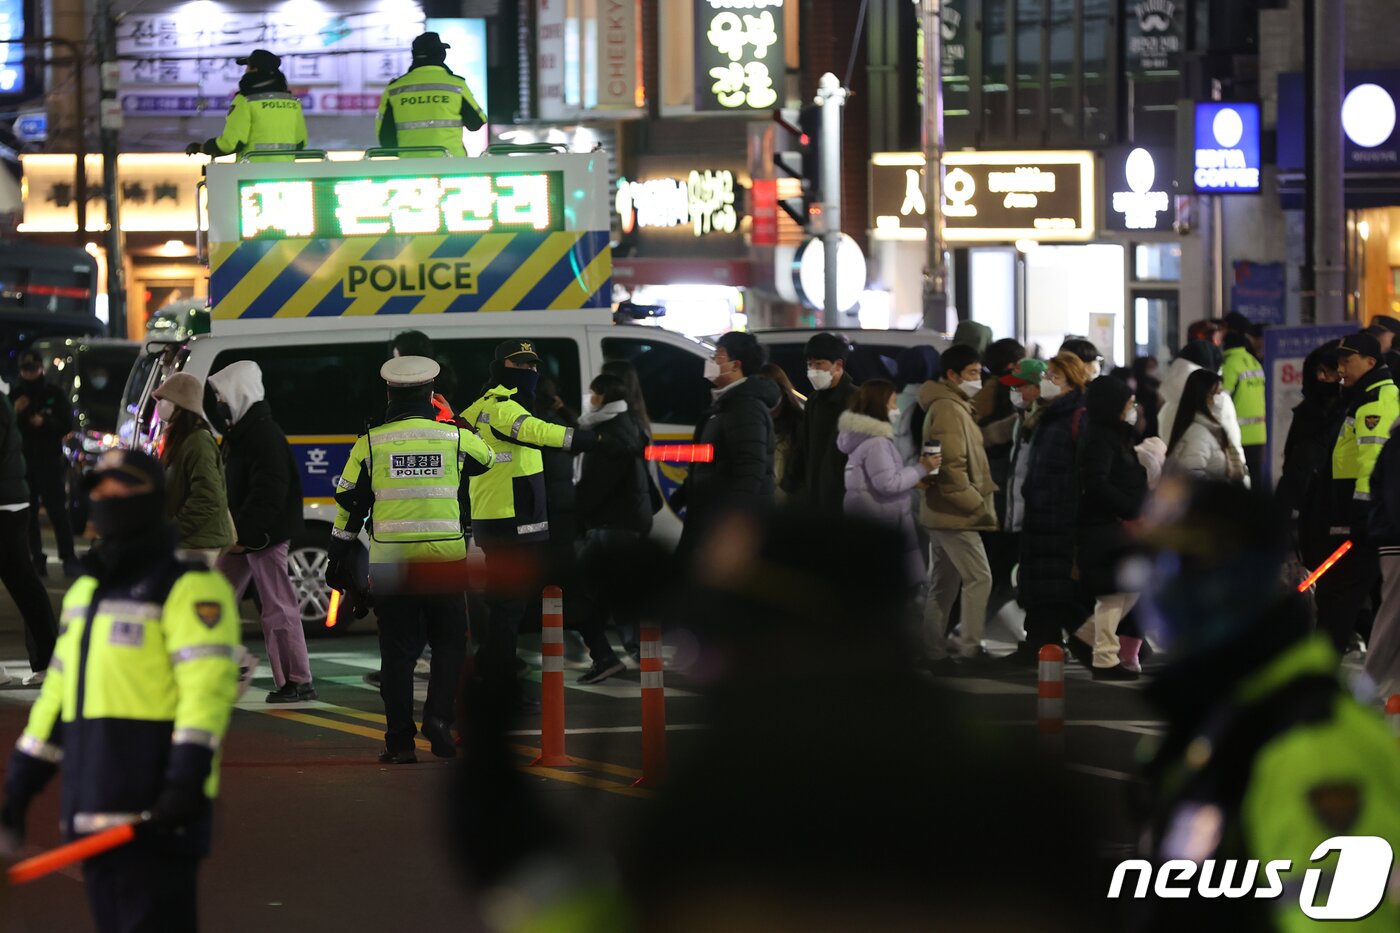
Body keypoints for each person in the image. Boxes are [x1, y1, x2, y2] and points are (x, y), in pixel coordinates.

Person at [1136, 479, 1400, 933]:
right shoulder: (1225, 718)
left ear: (1239, 573)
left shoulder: (1313, 746)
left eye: (1182, 561)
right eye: (1152, 563)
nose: (1161, 583)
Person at [0, 449, 241, 933]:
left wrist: (184, 784)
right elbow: (57, 699)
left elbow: (205, 697)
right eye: (100, 492)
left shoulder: (191, 588)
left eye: (123, 490)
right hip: (92, 814)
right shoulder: (87, 593)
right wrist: (17, 794)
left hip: (158, 818)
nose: (108, 501)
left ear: (152, 499)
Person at [331, 357, 493, 762]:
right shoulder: (453, 438)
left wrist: (338, 556)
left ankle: (400, 742)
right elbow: (487, 458)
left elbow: (350, 504)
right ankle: (438, 718)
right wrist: (455, 421)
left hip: (392, 564)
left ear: (389, 393)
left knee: (398, 655)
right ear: (431, 393)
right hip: (445, 560)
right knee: (449, 645)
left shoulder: (370, 442)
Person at [460, 341, 595, 709]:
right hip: (510, 520)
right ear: (501, 367)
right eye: (520, 365)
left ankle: (492, 676)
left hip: (503, 517)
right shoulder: (502, 408)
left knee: (505, 607)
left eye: (532, 365)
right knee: (508, 609)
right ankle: (501, 688)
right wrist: (589, 439)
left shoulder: (479, 406)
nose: (529, 372)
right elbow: (540, 432)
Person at [207, 361, 316, 704]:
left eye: (222, 396)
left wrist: (243, 535)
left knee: (277, 607)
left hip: (261, 536)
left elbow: (269, 493)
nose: (219, 403)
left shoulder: (261, 435)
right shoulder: (242, 432)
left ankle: (298, 680)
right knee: (214, 599)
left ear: (240, 393)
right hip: (244, 535)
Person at [1310, 332, 1399, 654]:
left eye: (1347, 361)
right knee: (1345, 595)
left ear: (1371, 362)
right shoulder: (1362, 397)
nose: (1341, 369)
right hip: (1358, 517)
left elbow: (1371, 461)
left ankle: (1319, 675)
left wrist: (1360, 516)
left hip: (1363, 520)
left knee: (1339, 596)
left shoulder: (1377, 401)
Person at [918, 344, 997, 668]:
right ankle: (970, 648)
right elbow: (949, 464)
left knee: (944, 584)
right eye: (972, 374)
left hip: (941, 510)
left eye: (979, 373)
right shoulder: (949, 408)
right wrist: (975, 503)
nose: (977, 380)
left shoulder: (953, 405)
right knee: (980, 577)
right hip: (954, 512)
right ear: (952, 375)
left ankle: (932, 649)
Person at [573, 373, 653, 684]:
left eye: (592, 392)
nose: (588, 397)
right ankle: (618, 654)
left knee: (588, 591)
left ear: (603, 395)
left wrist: (575, 511)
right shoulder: (620, 422)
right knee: (605, 592)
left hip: (613, 522)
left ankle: (624, 653)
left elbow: (597, 484)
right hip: (621, 519)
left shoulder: (610, 431)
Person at [1013, 353, 1091, 662]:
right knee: (1044, 590)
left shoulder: (1077, 416)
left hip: (1061, 516)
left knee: (1061, 592)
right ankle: (1041, 646)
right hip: (1041, 515)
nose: (1047, 382)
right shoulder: (1047, 414)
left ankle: (1097, 648)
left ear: (1071, 382)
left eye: (1053, 378)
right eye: (1047, 376)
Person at [675, 332, 778, 555]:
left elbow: (751, 468)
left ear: (735, 365)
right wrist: (685, 494)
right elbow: (710, 460)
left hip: (723, 520)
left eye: (718, 355)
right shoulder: (725, 404)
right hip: (710, 514)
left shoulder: (744, 407)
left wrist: (735, 521)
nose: (712, 361)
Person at [1074, 375, 1147, 680]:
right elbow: (1097, 483)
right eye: (1129, 404)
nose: (1133, 409)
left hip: (1116, 524)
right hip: (1104, 526)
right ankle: (1105, 659)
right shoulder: (1101, 438)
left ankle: (1088, 636)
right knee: (1113, 593)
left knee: (1130, 588)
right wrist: (1128, 508)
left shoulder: (1114, 435)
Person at [837, 379, 940, 585]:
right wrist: (922, 468)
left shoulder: (863, 438)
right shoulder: (877, 443)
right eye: (892, 403)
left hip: (871, 519)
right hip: (882, 521)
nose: (896, 408)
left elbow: (880, 477)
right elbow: (888, 484)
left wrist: (912, 480)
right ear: (879, 406)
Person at [0, 391, 57, 688]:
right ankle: (48, 661)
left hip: (5, 506)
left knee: (25, 584)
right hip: (10, 504)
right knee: (24, 584)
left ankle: (49, 661)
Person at [12, 350, 80, 577]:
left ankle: (68, 557)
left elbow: (66, 424)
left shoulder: (54, 393)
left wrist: (45, 422)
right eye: (25, 369)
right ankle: (36, 559)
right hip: (25, 463)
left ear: (41, 368)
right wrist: (16, 412)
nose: (29, 374)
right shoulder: (15, 395)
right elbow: (7, 429)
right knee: (28, 515)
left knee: (58, 512)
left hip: (49, 461)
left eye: (32, 369)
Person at [152, 373, 233, 564]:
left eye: (164, 399)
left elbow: (207, 497)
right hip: (188, 541)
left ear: (179, 404)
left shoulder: (198, 441)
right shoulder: (181, 439)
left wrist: (174, 529)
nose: (159, 404)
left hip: (198, 544)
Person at [376, 32, 486, 157]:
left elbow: (385, 138)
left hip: (410, 167)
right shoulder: (456, 85)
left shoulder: (394, 89)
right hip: (452, 165)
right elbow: (476, 122)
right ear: (440, 54)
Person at [781, 332, 857, 513]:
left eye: (819, 364)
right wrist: (791, 484)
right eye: (809, 364)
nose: (813, 370)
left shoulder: (855, 399)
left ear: (838, 365)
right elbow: (803, 445)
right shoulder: (814, 400)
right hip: (814, 496)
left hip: (844, 498)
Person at [185, 49, 306, 159]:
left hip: (251, 174)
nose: (245, 70)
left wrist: (203, 148)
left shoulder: (246, 100)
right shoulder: (293, 102)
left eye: (247, 66)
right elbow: (301, 143)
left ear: (254, 69)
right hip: (287, 174)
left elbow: (231, 143)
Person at [1278, 341, 1342, 516]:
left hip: (1331, 496)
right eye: (1318, 372)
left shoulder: (1348, 409)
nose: (1321, 377)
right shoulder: (1308, 410)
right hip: (1306, 494)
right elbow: (1292, 454)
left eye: (1326, 372)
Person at [1164, 369, 1248, 485]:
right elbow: (1193, 478)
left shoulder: (1213, 430)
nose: (1220, 400)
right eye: (1215, 394)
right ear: (1201, 397)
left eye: (1221, 393)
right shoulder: (1198, 434)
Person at [1222, 330, 1268, 490]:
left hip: (1239, 434)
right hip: (1259, 431)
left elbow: (1222, 398)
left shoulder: (1229, 363)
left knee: (1238, 482)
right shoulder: (1254, 362)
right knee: (1256, 479)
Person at [757, 362, 803, 503]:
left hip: (786, 497)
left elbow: (800, 463)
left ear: (782, 390)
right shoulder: (754, 420)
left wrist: (784, 490)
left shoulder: (798, 422)